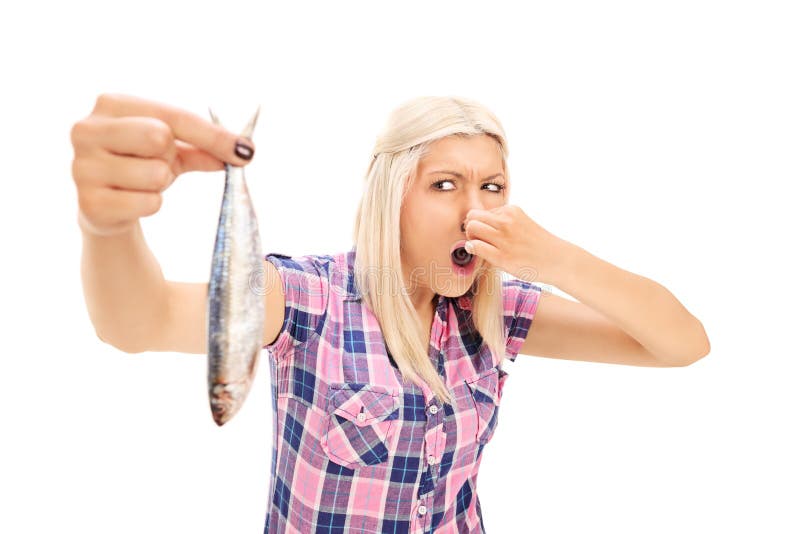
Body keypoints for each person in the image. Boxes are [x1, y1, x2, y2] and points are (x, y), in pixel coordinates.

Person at [72, 94, 710, 533]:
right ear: (392, 196)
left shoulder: (496, 313)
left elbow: (681, 344)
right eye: (444, 185)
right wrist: (106, 227)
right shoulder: (307, 297)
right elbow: (139, 322)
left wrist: (556, 259)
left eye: (492, 187)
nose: (476, 212)